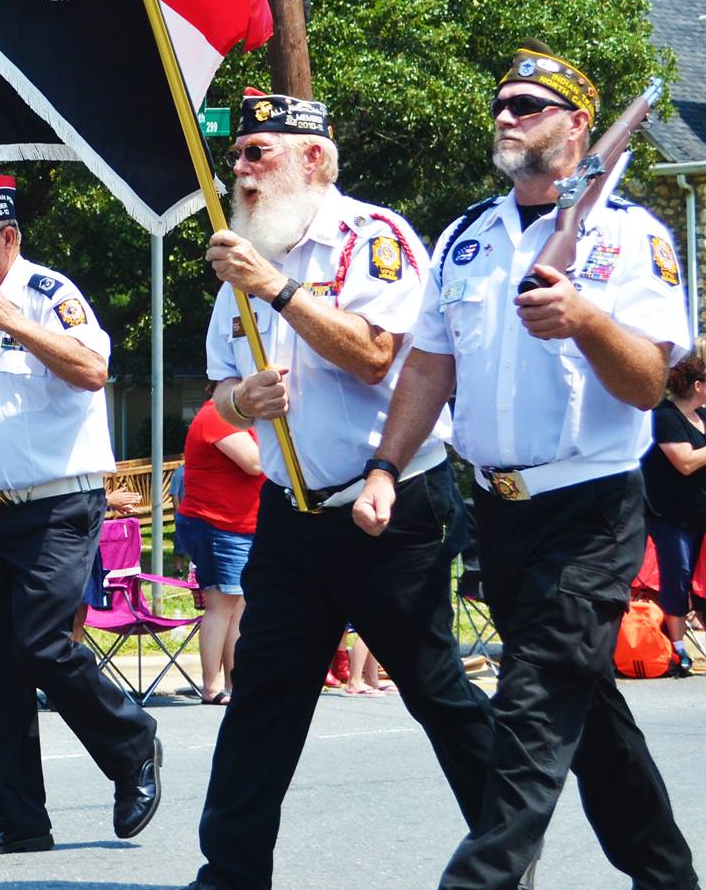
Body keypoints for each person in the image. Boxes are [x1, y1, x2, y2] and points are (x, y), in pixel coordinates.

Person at [356, 43, 698, 890]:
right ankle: (667, 875)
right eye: (502, 105)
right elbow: (431, 366)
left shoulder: (630, 236)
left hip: (590, 507)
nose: (506, 117)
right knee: (587, 717)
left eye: (528, 105)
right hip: (497, 513)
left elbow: (650, 377)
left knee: (533, 704)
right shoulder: (467, 237)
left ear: (581, 127)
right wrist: (386, 466)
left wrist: (585, 316)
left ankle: (479, 881)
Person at [189, 87, 495, 890]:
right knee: (264, 699)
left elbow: (375, 353)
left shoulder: (373, 237)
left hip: (386, 509)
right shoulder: (244, 253)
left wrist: (279, 291)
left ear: (314, 158)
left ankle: (506, 850)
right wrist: (241, 400)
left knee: (436, 691)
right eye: (238, 157)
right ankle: (231, 871)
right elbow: (220, 387)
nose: (242, 171)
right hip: (290, 515)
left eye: (260, 154)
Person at [0, 174, 160, 857]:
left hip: (59, 501)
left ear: (8, 238)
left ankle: (131, 744)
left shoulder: (51, 295)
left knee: (40, 643)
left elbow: (91, 370)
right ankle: (16, 815)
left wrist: (14, 321)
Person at [174, 396, 260, 704]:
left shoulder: (246, 421)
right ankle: (211, 687)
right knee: (221, 604)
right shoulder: (219, 415)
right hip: (217, 524)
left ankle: (233, 684)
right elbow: (256, 462)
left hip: (240, 525)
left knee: (237, 606)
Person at [645, 347, 706, 675]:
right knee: (677, 576)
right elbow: (684, 462)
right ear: (697, 386)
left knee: (702, 582)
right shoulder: (666, 416)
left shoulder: (703, 417)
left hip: (700, 515)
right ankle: (678, 648)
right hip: (671, 515)